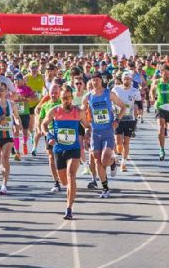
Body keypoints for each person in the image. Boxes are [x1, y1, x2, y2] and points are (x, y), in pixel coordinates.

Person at [41, 85, 88, 220]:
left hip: (74, 148)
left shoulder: (79, 112)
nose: (65, 100)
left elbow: (87, 125)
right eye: (63, 98)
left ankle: (69, 208)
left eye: (67, 98)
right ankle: (70, 190)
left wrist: (88, 132)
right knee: (63, 181)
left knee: (71, 175)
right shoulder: (54, 111)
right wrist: (48, 136)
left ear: (72, 98)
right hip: (59, 149)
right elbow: (44, 124)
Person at [82, 72, 126, 198]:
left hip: (107, 130)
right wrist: (86, 128)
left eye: (97, 79)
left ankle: (112, 163)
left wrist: (117, 120)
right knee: (97, 160)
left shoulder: (109, 94)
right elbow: (82, 113)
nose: (95, 82)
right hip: (95, 132)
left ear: (101, 81)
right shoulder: (88, 97)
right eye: (93, 80)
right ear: (91, 82)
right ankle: (105, 188)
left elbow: (123, 107)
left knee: (104, 159)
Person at [0, 84, 22, 195]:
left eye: (2, 90)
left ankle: (4, 185)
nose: (0, 92)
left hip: (8, 136)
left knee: (5, 158)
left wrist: (17, 125)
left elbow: (17, 118)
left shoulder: (12, 104)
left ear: (6, 91)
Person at [113, 72, 141, 172]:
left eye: (128, 79)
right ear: (122, 79)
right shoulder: (116, 89)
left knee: (127, 142)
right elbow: (111, 99)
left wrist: (139, 110)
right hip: (118, 119)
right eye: (125, 79)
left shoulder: (135, 91)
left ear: (131, 80)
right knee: (118, 143)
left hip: (130, 119)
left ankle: (123, 163)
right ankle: (116, 155)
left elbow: (139, 102)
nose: (126, 81)